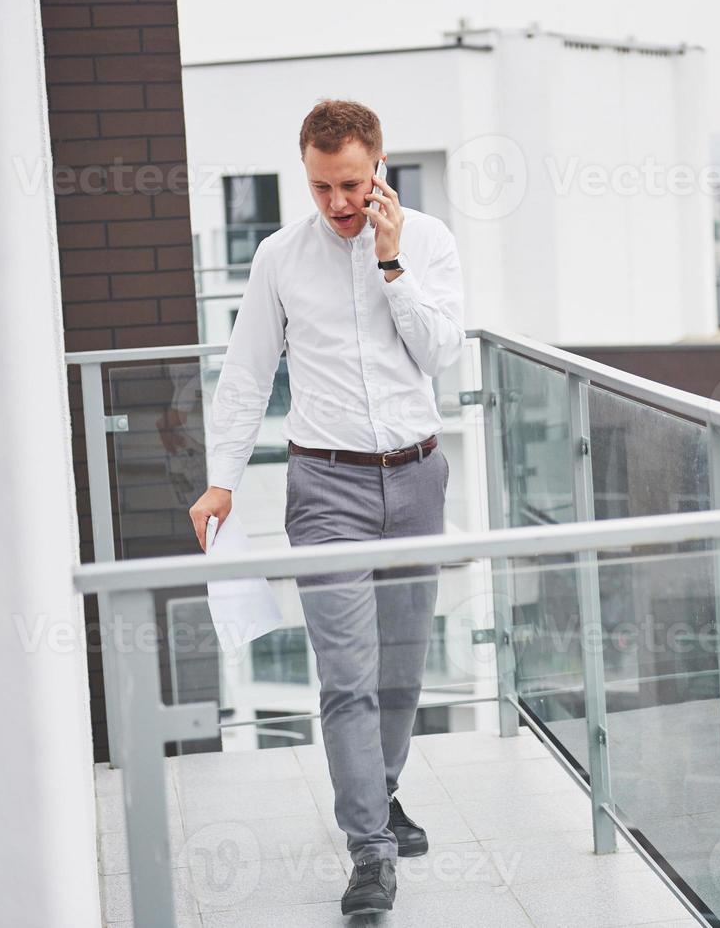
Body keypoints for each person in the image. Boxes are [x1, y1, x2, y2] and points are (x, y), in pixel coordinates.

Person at [188, 99, 464, 916]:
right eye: (320, 188)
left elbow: (439, 354)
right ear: (304, 175)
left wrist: (391, 264)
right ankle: (370, 849)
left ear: (377, 165)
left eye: (349, 184)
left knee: (402, 670)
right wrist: (221, 479)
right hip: (327, 488)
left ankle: (376, 794)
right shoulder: (278, 257)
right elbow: (242, 377)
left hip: (416, 478)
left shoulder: (431, 243)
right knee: (347, 678)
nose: (338, 203)